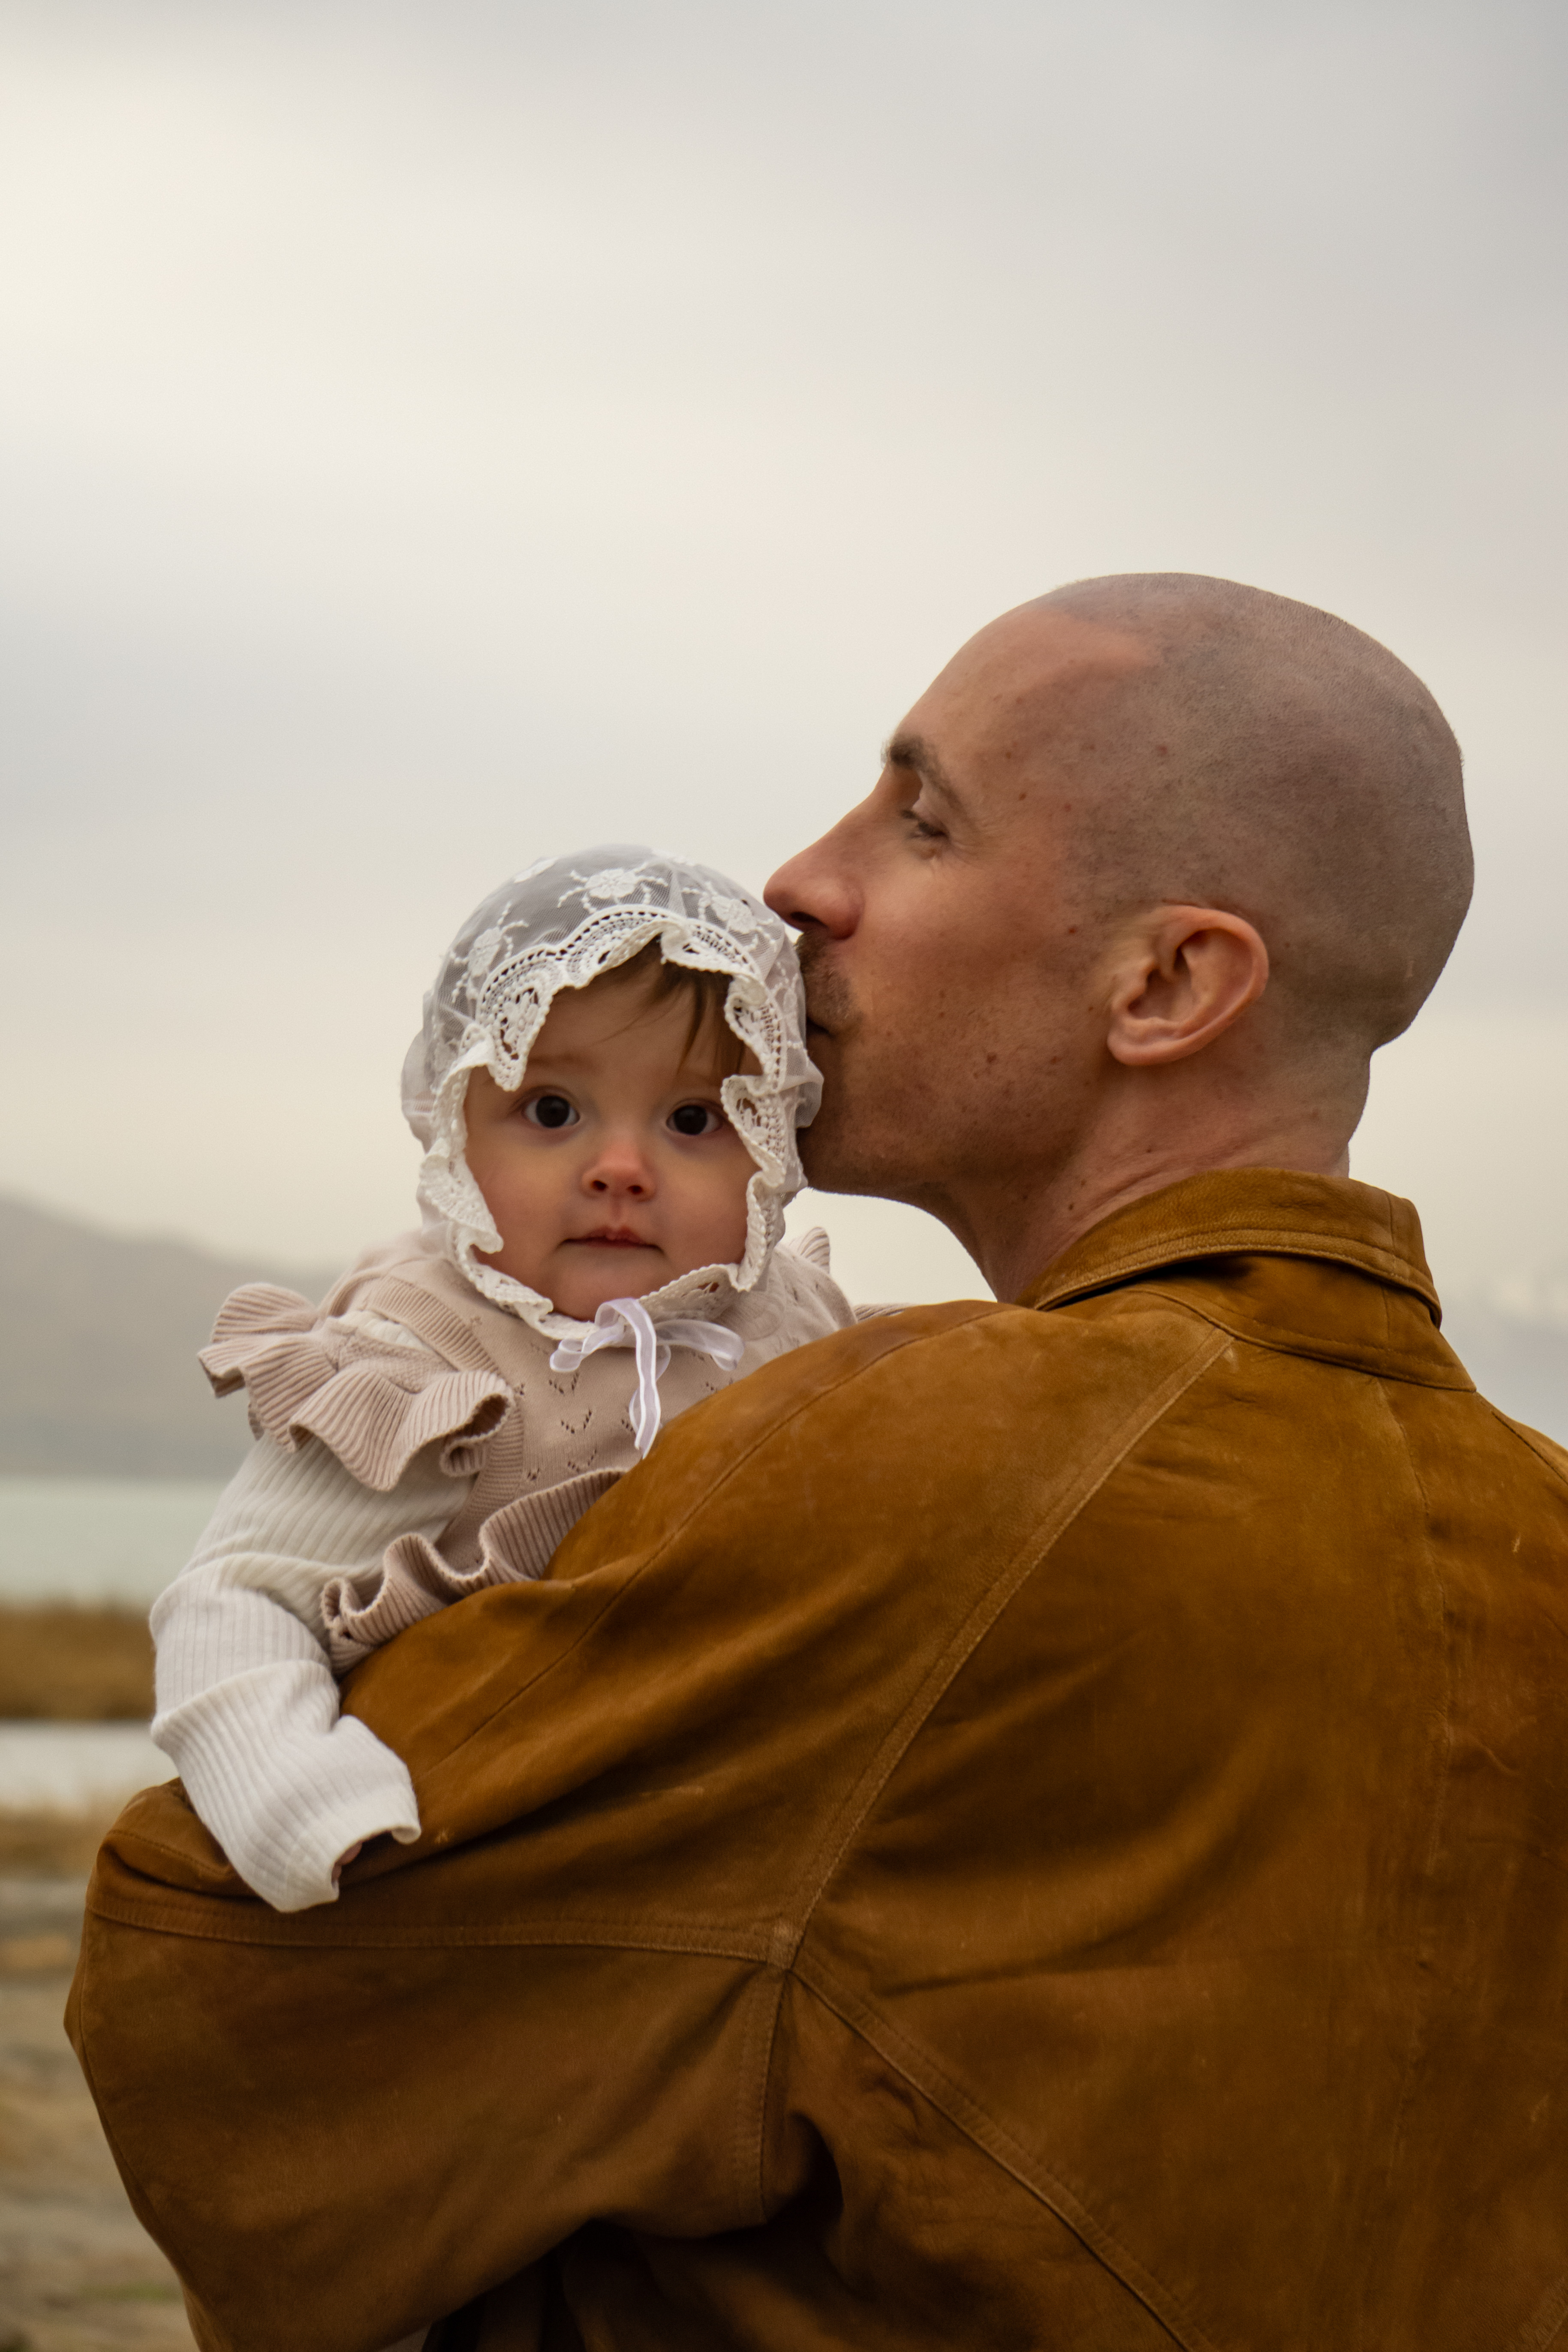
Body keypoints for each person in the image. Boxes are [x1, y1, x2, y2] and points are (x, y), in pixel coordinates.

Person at [71, 575, 1568, 2352]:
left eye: (918, 818)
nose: (796, 881)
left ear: (1165, 982)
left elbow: (215, 1991)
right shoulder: (1526, 1529)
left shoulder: (902, 1453)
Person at [148, 848, 854, 1911]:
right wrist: (307, 1801)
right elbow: (236, 1598)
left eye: (694, 1120)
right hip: (485, 1859)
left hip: (740, 1845)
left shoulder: (794, 1323)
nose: (621, 1167)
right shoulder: (426, 1357)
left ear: (774, 1145)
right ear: (454, 1126)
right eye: (554, 1110)